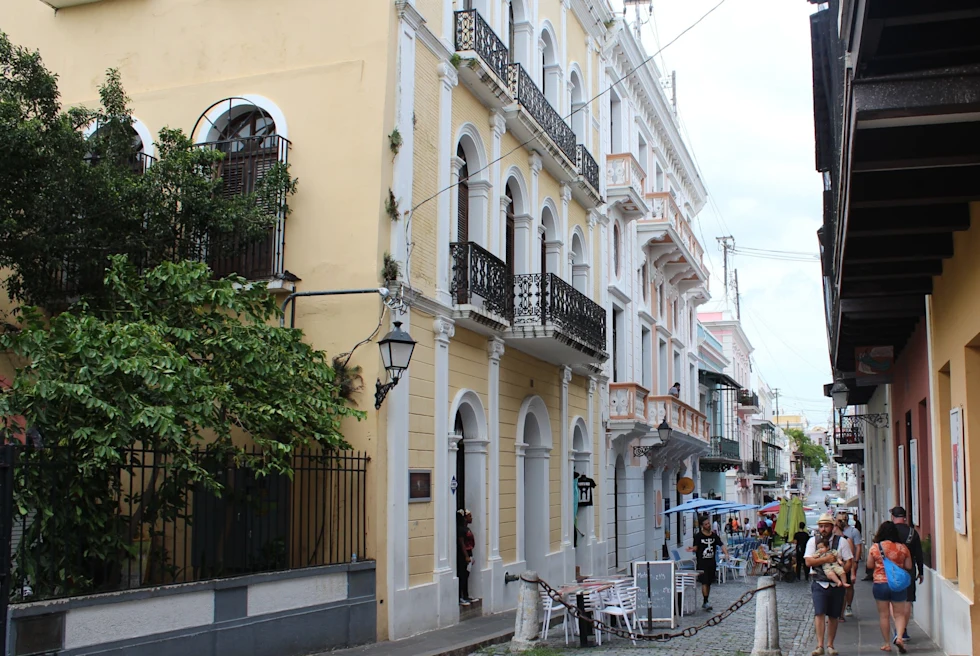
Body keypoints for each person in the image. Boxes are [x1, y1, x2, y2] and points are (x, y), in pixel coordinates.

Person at [805, 513, 854, 656]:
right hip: (819, 582)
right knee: (819, 613)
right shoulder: (813, 542)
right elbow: (808, 562)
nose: (823, 529)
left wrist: (840, 572)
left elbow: (849, 561)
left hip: (836, 585)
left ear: (832, 527)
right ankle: (820, 645)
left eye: (826, 526)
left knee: (834, 615)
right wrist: (826, 559)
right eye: (821, 526)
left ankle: (830, 645)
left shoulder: (842, 542)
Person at [867, 521, 912, 653]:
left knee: (884, 615)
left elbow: (869, 565)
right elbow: (908, 566)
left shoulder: (875, 547)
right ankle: (899, 637)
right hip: (897, 584)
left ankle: (887, 643)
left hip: (880, 584)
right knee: (899, 614)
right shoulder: (903, 548)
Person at [890, 506, 923, 643]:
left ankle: (898, 629)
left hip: (892, 569)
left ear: (893, 517)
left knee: (894, 600)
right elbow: (919, 554)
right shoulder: (912, 532)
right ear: (904, 517)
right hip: (909, 570)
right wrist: (921, 571)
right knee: (908, 600)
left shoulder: (889, 532)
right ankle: (903, 630)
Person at [686, 515, 729, 610]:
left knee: (709, 582)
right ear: (702, 525)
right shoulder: (698, 536)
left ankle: (706, 599)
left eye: (708, 523)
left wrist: (726, 553)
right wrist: (691, 549)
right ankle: (705, 601)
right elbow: (696, 548)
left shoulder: (714, 535)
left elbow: (721, 544)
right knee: (704, 581)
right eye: (706, 524)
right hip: (702, 562)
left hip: (711, 562)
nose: (708, 525)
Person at [838, 514, 863, 617]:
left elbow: (858, 547)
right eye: (839, 519)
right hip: (838, 564)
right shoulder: (834, 532)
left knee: (849, 585)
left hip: (848, 562)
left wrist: (856, 561)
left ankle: (848, 606)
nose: (841, 521)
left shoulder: (853, 532)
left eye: (843, 519)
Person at [456, 509, 476, 606]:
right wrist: (466, 556)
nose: (471, 518)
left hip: (469, 554)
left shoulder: (466, 528)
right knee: (463, 575)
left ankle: (466, 595)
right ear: (464, 518)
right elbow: (462, 543)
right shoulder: (460, 529)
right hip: (464, 556)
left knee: (467, 575)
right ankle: (460, 596)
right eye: (469, 516)